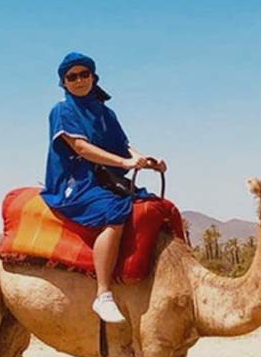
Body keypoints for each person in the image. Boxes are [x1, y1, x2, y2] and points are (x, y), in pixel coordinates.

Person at [42, 52, 167, 324]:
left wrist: (148, 162)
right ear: (64, 83)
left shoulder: (106, 113)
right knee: (115, 213)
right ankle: (103, 293)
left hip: (106, 178)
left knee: (156, 208)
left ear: (93, 77)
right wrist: (124, 162)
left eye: (84, 74)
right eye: (71, 77)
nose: (79, 80)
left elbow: (125, 147)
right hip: (76, 181)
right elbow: (81, 148)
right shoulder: (62, 111)